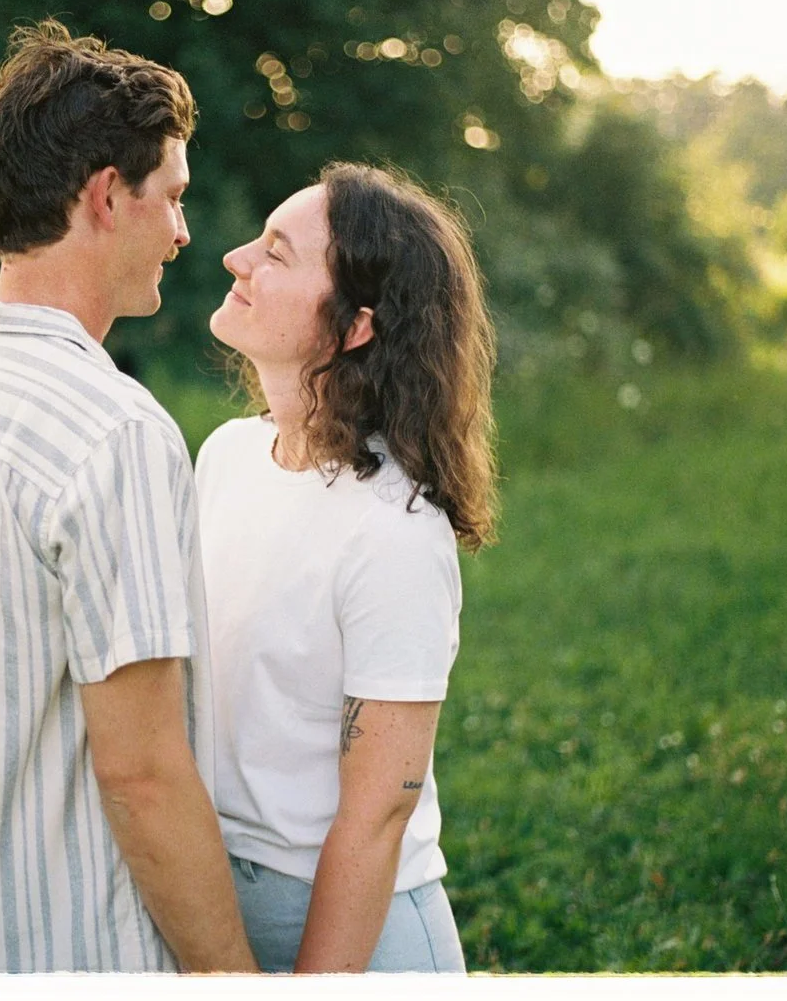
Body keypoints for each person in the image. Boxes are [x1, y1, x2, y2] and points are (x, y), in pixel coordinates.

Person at [0, 19, 254, 972]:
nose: (183, 232)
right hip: (70, 950)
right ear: (107, 197)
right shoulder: (113, 433)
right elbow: (145, 772)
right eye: (171, 198)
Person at [193, 162, 496, 973]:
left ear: (354, 325)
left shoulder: (393, 529)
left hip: (352, 934)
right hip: (217, 906)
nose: (235, 258)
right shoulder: (226, 457)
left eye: (276, 254)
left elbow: (376, 818)